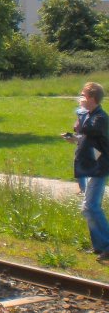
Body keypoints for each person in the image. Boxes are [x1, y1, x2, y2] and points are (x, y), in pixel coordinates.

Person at [71, 82, 109, 261]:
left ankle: (107, 245)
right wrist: (76, 138)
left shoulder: (100, 116)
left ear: (92, 98)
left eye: (83, 95)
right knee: (88, 208)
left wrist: (80, 116)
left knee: (92, 206)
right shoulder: (91, 116)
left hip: (99, 168)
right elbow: (87, 135)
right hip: (91, 167)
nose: (80, 98)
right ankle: (99, 246)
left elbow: (92, 129)